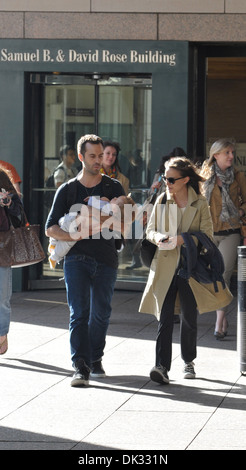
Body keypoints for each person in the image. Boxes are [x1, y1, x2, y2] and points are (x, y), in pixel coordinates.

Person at [139, 156, 231, 384]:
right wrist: (159, 237)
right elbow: (150, 231)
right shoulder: (163, 200)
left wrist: (182, 239)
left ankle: (188, 360)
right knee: (165, 317)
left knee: (189, 316)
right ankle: (161, 366)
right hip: (165, 266)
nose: (166, 182)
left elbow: (208, 236)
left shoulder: (199, 203)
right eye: (164, 178)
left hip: (189, 268)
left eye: (171, 179)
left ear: (185, 180)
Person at [45, 134, 127, 387]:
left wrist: (101, 216)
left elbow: (125, 225)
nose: (99, 160)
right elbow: (49, 228)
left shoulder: (114, 188)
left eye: (101, 155)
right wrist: (75, 233)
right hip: (76, 259)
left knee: (101, 314)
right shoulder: (67, 189)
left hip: (106, 258)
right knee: (79, 313)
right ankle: (80, 365)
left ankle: (95, 358)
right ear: (81, 157)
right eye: (93, 156)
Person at [200, 138, 246, 339]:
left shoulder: (238, 176)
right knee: (213, 276)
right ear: (215, 155)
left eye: (232, 152)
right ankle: (223, 316)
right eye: (227, 152)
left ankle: (219, 322)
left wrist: (239, 211)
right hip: (209, 234)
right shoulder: (204, 177)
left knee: (223, 275)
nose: (231, 156)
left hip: (231, 231)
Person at [48, 194, 135, 269]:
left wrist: (92, 199)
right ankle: (54, 253)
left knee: (63, 233)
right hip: (76, 223)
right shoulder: (111, 213)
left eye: (116, 199)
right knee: (65, 240)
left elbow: (92, 204)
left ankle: (54, 253)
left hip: (73, 221)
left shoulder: (107, 208)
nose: (114, 197)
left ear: (115, 209)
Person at [0, 167, 23, 354]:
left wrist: (8, 203)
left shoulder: (3, 179)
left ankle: (1, 334)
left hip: (2, 246)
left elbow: (19, 212)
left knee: (2, 296)